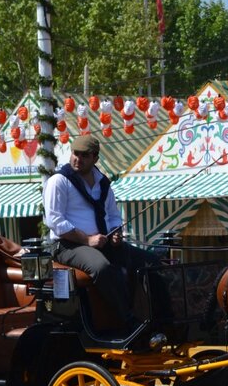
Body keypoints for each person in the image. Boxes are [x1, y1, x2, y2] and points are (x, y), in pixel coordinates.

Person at [44, 134, 155, 338]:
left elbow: (113, 215)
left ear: (95, 158)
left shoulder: (103, 183)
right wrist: (87, 240)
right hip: (67, 245)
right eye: (75, 154)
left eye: (84, 155)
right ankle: (129, 322)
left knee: (151, 261)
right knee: (101, 267)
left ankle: (158, 317)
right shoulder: (59, 181)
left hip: (100, 242)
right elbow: (55, 221)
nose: (78, 159)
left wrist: (115, 233)